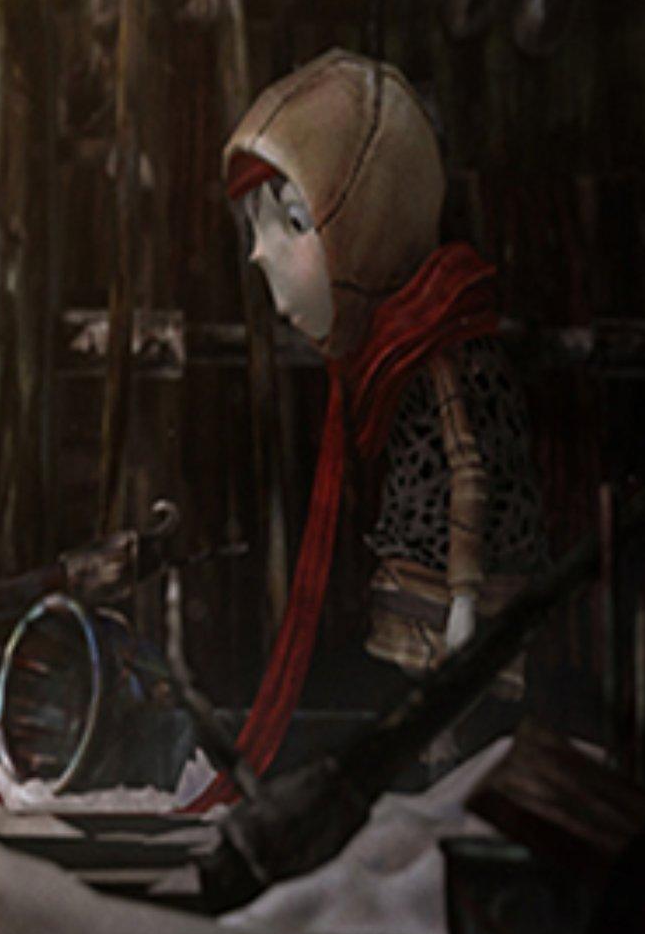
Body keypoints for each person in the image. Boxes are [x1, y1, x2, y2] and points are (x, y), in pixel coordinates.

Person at [217, 49, 546, 784]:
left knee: (451, 738)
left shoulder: (440, 346)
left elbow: (469, 468)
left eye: (294, 221)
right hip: (415, 583)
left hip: (449, 594)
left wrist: (464, 599)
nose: (262, 255)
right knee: (423, 732)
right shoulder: (380, 355)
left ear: (366, 221)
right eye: (257, 227)